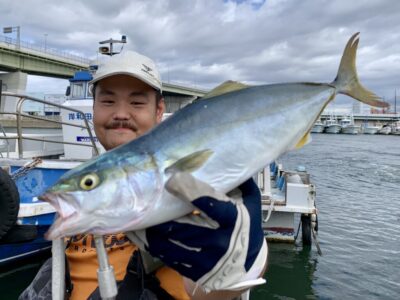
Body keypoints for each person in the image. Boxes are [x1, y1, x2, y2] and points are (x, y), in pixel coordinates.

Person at [20, 50, 268, 300]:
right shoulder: (80, 190)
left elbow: (211, 288)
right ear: (94, 108)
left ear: (159, 110)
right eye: (108, 101)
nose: (120, 114)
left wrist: (235, 268)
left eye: (137, 102)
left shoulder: (193, 184)